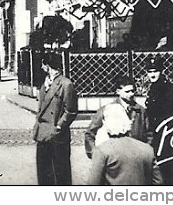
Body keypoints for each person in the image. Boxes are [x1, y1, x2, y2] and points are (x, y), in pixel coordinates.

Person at [85, 102, 162, 186]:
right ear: (127, 121)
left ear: (105, 122)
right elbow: (158, 182)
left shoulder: (102, 151)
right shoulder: (147, 149)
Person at [32, 53, 78, 185]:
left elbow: (71, 111)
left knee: (61, 173)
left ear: (48, 66)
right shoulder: (45, 83)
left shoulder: (65, 84)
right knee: (44, 173)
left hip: (58, 136)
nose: (41, 67)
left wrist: (59, 126)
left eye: (43, 64)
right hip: (42, 134)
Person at [143, 56, 173, 184]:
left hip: (166, 135)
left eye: (155, 71)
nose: (152, 74)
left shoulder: (169, 89)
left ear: (161, 71)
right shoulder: (154, 87)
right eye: (150, 71)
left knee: (166, 169)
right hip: (155, 133)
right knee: (156, 169)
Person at [85, 74, 147, 158]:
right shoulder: (107, 110)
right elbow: (90, 133)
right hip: (115, 158)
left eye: (133, 91)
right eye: (127, 91)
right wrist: (95, 154)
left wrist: (145, 154)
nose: (131, 94)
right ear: (118, 91)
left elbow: (149, 134)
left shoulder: (141, 111)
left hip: (137, 157)